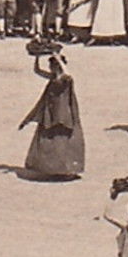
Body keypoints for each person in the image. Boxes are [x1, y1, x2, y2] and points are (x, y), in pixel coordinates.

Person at [20, 42, 85, 179]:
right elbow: (37, 71)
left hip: (63, 116)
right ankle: (53, 171)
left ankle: (64, 171)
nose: (49, 69)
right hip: (52, 114)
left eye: (51, 66)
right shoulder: (53, 79)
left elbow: (68, 74)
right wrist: (37, 57)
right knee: (54, 143)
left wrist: (59, 59)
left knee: (60, 143)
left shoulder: (65, 80)